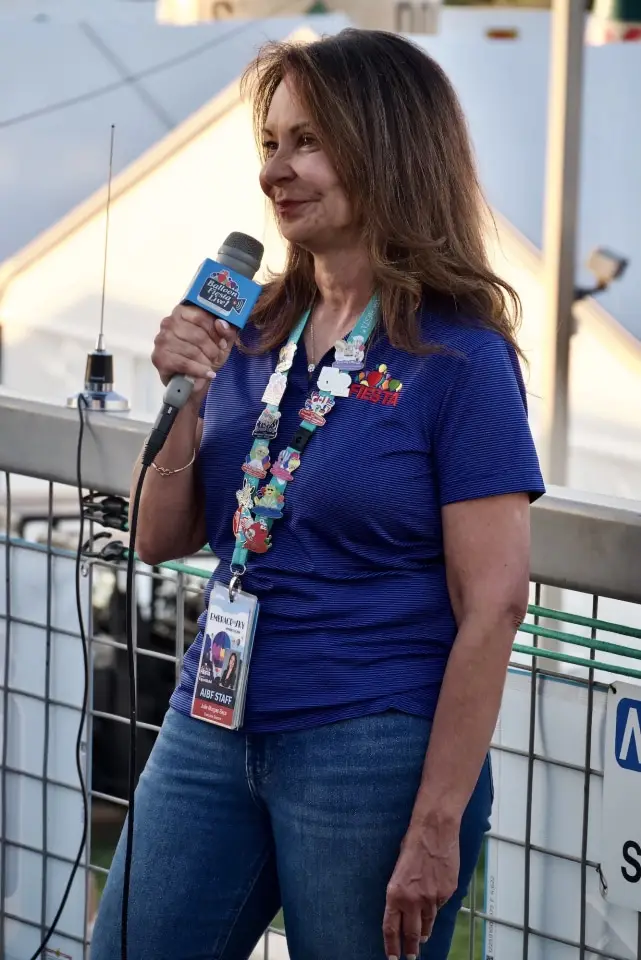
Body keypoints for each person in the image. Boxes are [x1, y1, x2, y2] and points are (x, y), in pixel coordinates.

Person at [91, 28, 545, 960]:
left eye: (307, 141)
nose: (275, 172)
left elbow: (493, 603)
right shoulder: (253, 324)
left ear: (387, 147)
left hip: (369, 747)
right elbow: (158, 537)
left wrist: (435, 824)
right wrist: (181, 394)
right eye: (269, 143)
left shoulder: (460, 355)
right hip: (210, 721)